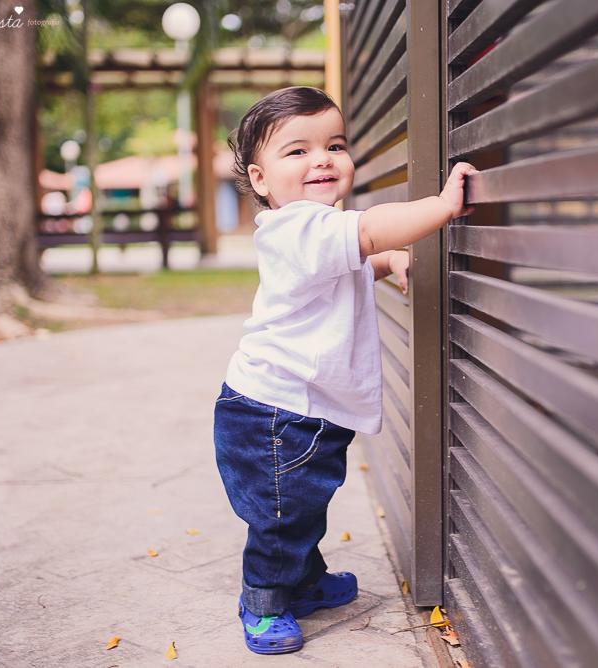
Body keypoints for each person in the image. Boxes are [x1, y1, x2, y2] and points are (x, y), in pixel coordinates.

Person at [214, 86, 476, 655]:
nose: (322, 159)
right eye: (297, 151)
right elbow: (372, 229)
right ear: (260, 180)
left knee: (303, 504)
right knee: (282, 517)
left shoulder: (317, 230)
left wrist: (388, 261)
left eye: (334, 144)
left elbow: (356, 261)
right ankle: (262, 601)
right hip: (274, 414)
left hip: (299, 407)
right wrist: (443, 207)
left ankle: (303, 582)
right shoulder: (297, 227)